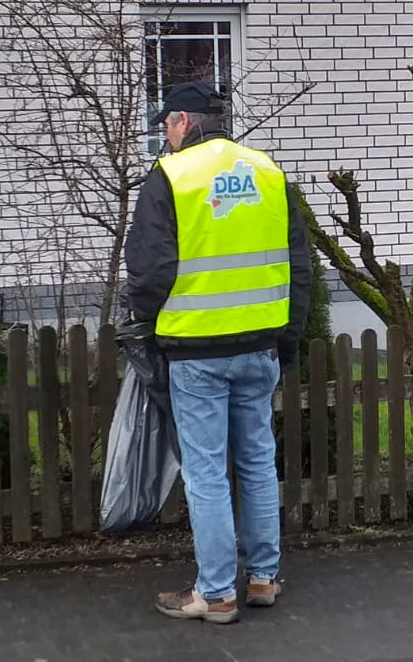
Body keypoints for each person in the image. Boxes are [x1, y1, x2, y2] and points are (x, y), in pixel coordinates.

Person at [126, 80, 312, 623]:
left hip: (196, 351)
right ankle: (261, 579)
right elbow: (297, 266)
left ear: (183, 121)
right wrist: (288, 338)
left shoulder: (172, 177)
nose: (165, 135)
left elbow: (151, 269)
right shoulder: (269, 173)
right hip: (261, 346)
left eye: (166, 125)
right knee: (256, 461)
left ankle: (215, 593)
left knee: (206, 472)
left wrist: (144, 325)